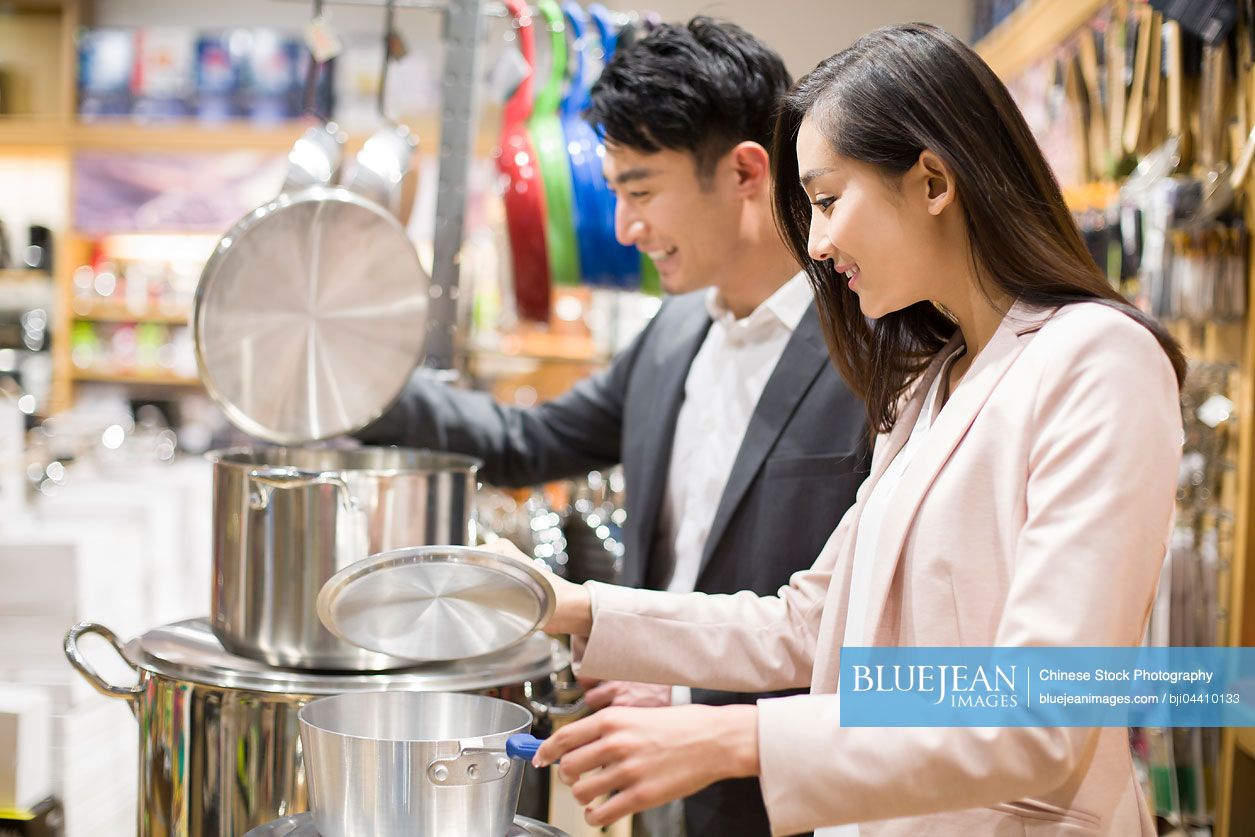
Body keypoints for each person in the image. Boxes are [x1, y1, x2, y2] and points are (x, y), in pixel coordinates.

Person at [500, 23, 1187, 837]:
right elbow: (807, 623)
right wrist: (567, 603)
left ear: (932, 180)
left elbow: (1040, 711)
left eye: (827, 201)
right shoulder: (933, 379)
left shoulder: (1096, 358)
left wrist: (738, 735)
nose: (818, 244)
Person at [358, 18, 867, 836]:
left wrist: (691, 696)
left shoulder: (870, 351)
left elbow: (851, 626)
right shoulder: (670, 337)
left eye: (639, 191)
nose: (626, 229)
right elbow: (528, 443)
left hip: (800, 795)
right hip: (653, 781)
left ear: (743, 171)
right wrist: (353, 378)